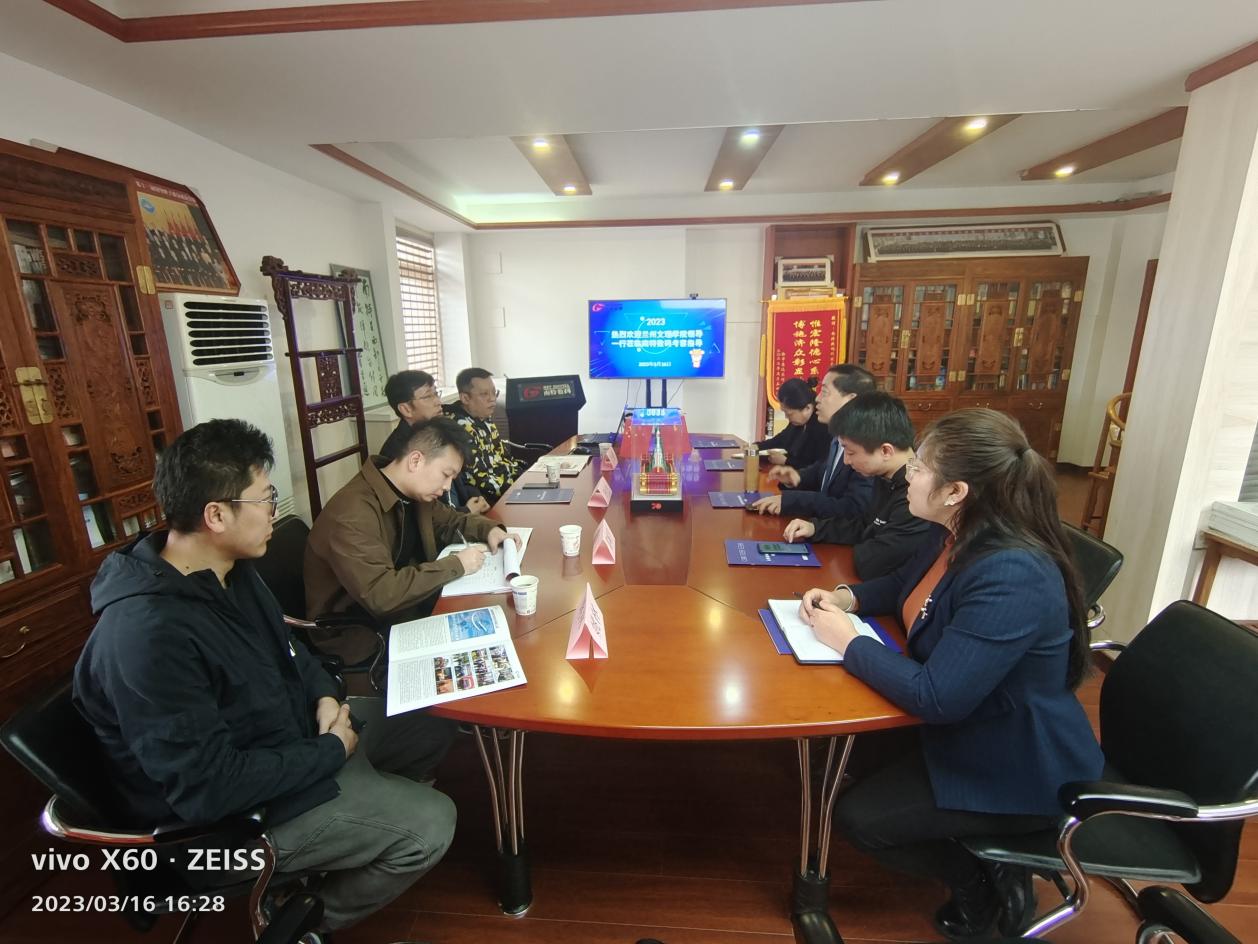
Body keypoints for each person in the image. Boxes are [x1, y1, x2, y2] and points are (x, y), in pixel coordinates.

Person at [73, 419, 455, 934]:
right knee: (434, 823)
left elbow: (292, 652)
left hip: (291, 742)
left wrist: (325, 695)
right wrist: (330, 751)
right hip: (232, 825)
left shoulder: (229, 572)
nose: (275, 511)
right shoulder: (148, 635)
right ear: (216, 515)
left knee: (430, 719)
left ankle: (367, 816)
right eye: (266, 499)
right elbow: (209, 788)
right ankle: (296, 920)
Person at [797, 409, 1104, 940]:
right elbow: (904, 583)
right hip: (969, 719)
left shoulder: (1011, 572)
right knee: (849, 756)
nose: (908, 476)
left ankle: (982, 885)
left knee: (860, 819)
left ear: (956, 491)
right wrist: (848, 599)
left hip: (1014, 760)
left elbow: (938, 697)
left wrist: (848, 642)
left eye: (919, 468)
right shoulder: (956, 533)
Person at [305, 416, 520, 632]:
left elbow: (451, 520)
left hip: (409, 607)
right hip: (362, 631)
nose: (447, 487)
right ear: (415, 461)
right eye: (446, 475)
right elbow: (381, 595)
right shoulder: (351, 514)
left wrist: (490, 529)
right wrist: (457, 565)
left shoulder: (414, 493)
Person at [784, 392, 932, 579]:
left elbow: (872, 562)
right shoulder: (885, 475)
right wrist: (815, 528)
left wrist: (865, 539)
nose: (846, 461)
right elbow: (865, 526)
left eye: (851, 452)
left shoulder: (916, 494)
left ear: (886, 451)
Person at [750, 364, 876, 520]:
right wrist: (797, 477)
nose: (817, 399)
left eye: (825, 392)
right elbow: (823, 470)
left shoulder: (867, 446)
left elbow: (852, 508)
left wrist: (791, 500)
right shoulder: (838, 436)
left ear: (850, 400)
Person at [381, 369, 489, 514]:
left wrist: (477, 498)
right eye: (427, 396)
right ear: (406, 409)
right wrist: (467, 511)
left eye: (436, 394)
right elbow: (420, 514)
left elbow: (461, 477)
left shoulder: (441, 432)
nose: (438, 402)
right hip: (451, 521)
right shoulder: (397, 453)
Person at [444, 367, 524, 504]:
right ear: (465, 398)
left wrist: (523, 475)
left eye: (494, 392)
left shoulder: (483, 416)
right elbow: (480, 479)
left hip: (510, 485)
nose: (492, 399)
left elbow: (503, 457)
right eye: (484, 394)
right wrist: (518, 486)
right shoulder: (459, 428)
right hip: (492, 498)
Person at [753, 377, 831, 469]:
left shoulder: (823, 427)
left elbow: (819, 468)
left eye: (789, 414)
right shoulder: (797, 423)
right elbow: (778, 441)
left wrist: (786, 461)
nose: (786, 417)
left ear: (807, 408)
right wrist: (755, 447)